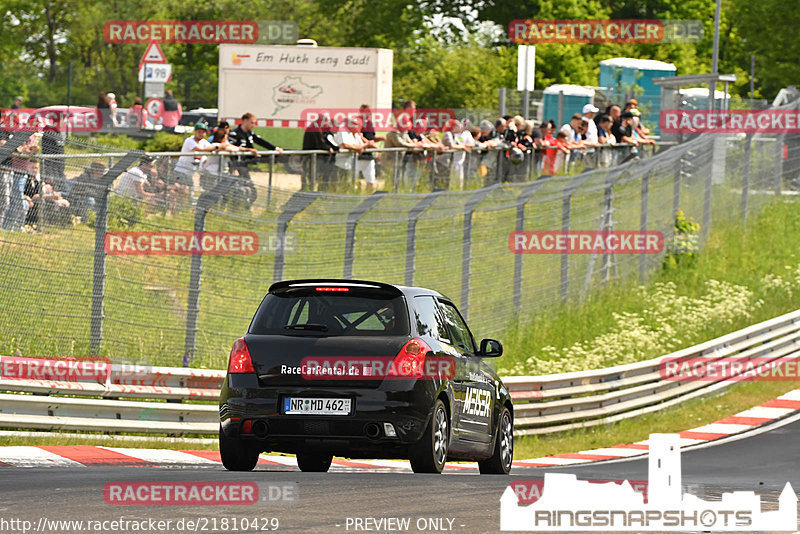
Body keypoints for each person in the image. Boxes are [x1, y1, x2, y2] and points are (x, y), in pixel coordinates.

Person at [228, 112, 283, 182]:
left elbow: (261, 141)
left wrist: (275, 148)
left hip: (245, 164)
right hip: (237, 164)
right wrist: (234, 168)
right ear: (245, 121)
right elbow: (231, 149)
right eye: (252, 123)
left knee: (248, 186)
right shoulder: (234, 133)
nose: (253, 125)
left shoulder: (249, 133)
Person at [334, 116, 377, 192]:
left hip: (350, 164)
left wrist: (361, 146)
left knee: (348, 185)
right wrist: (363, 146)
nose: (356, 126)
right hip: (341, 164)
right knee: (340, 185)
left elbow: (360, 148)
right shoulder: (342, 130)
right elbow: (346, 145)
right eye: (354, 124)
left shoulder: (353, 133)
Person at [174, 121, 219, 191]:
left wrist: (217, 147)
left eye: (203, 132)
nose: (201, 134)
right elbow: (199, 149)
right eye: (199, 132)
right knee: (181, 189)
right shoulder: (189, 140)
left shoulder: (203, 141)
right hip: (182, 170)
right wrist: (216, 147)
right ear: (195, 132)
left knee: (189, 190)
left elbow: (210, 147)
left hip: (190, 171)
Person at [302, 112, 338, 191]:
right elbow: (320, 143)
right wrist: (328, 148)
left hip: (311, 157)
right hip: (310, 157)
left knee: (312, 176)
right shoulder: (315, 128)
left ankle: (311, 190)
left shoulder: (316, 126)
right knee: (311, 177)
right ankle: (309, 192)